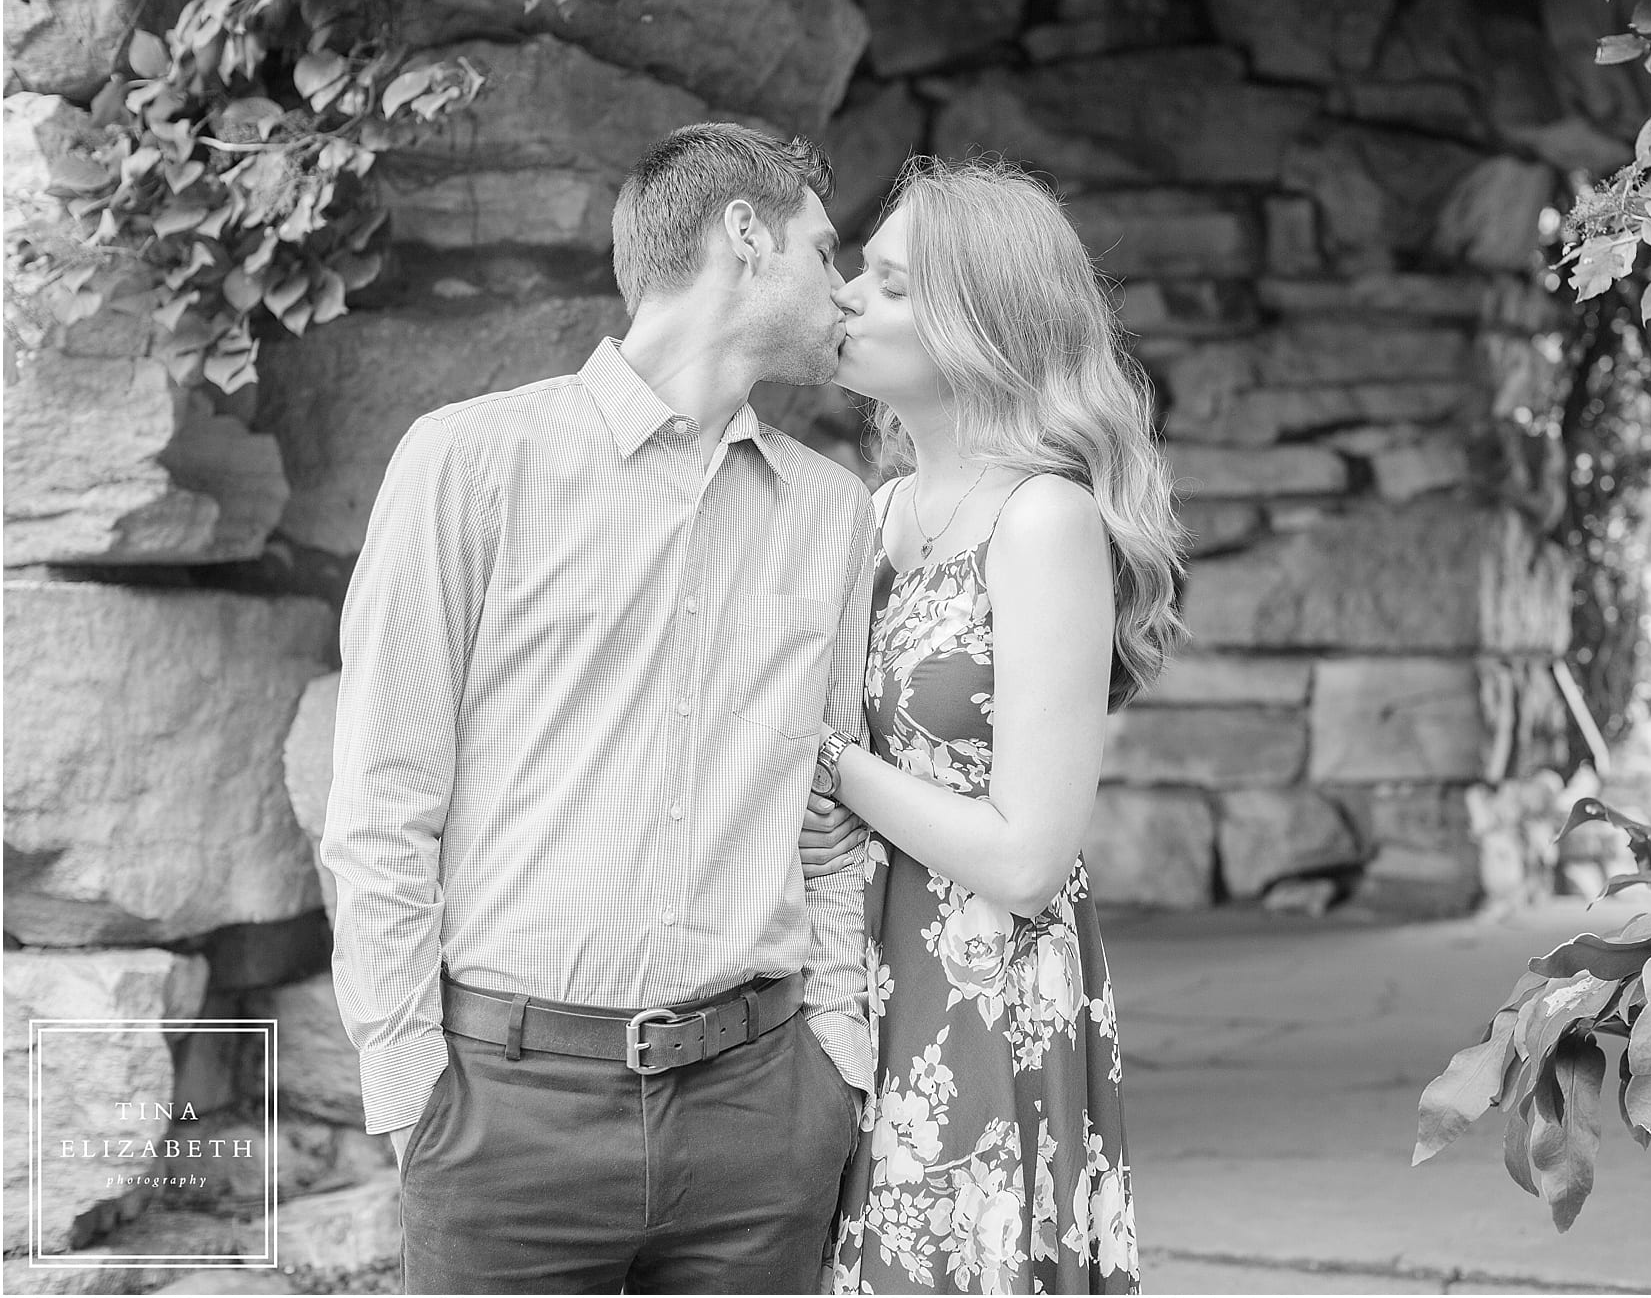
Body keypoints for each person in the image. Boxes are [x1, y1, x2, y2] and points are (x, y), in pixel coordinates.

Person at [321, 123, 873, 1294]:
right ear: (744, 235)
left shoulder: (834, 510)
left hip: (763, 1113)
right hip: (503, 1116)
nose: (848, 291)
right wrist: (406, 1071)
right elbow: (380, 792)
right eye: (827, 254)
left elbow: (827, 800)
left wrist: (840, 1059)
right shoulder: (469, 463)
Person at [800, 157, 1186, 1294]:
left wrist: (824, 761)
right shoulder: (875, 513)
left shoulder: (1044, 521)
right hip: (857, 970)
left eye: (890, 283)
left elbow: (1028, 856)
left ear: (982, 323)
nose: (847, 300)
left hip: (982, 991)